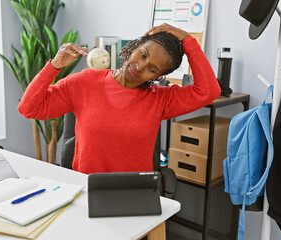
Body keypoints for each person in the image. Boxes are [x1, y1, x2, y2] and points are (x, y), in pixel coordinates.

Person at [18, 24, 221, 174]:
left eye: (152, 69)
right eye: (142, 55)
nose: (140, 67)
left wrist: (188, 41)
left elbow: (209, 91)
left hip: (133, 194)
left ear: (157, 77)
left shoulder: (161, 100)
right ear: (134, 46)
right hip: (87, 190)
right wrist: (54, 66)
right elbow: (29, 108)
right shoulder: (84, 82)